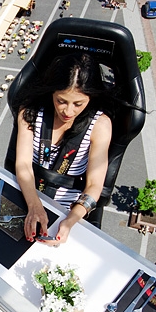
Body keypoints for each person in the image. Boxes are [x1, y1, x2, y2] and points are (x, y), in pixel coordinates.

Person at [11, 52, 113, 246]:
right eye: (61, 101)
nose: (68, 111)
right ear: (52, 92)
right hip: (27, 191)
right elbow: (23, 164)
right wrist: (34, 206)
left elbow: (94, 185)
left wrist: (69, 221)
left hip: (67, 207)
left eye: (78, 104)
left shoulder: (100, 126)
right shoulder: (30, 113)